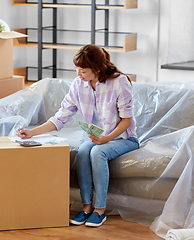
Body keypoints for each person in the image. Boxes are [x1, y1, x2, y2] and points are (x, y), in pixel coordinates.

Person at [17, 44, 139, 227]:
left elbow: (126, 121)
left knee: (98, 153)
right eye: (77, 70)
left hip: (124, 138)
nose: (78, 74)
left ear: (97, 69)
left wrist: (106, 139)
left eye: (82, 71)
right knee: (83, 151)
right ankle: (86, 207)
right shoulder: (78, 85)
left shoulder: (119, 82)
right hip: (96, 137)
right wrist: (31, 132)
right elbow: (61, 117)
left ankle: (100, 210)